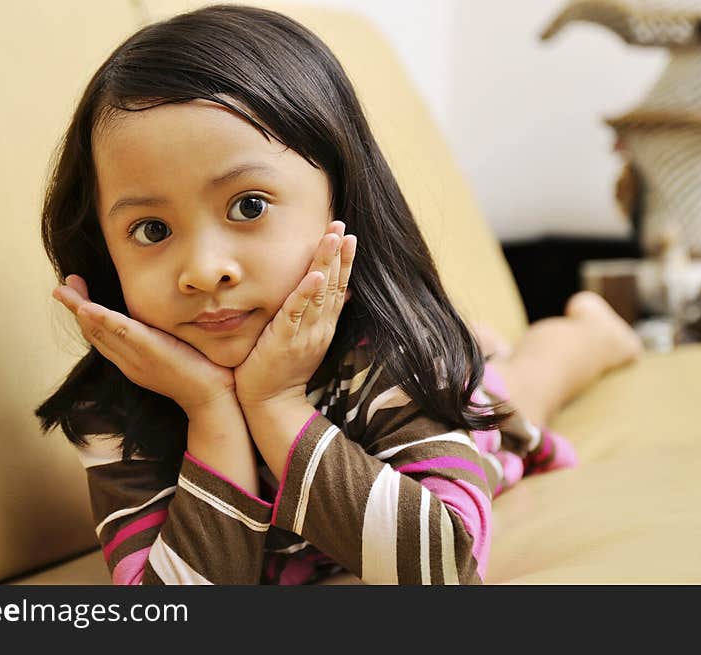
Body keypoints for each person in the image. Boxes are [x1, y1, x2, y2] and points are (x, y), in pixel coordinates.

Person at [35, 4, 642, 585]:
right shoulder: (113, 408)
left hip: (426, 388)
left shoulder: (396, 355)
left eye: (248, 206)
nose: (203, 270)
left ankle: (589, 331)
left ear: (342, 204)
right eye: (152, 230)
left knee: (521, 393)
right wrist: (212, 411)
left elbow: (439, 570)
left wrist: (273, 400)